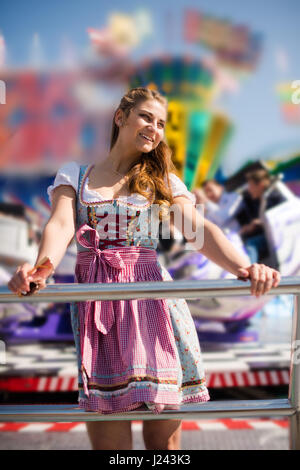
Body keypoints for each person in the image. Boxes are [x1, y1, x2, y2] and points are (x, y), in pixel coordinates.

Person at [7, 87, 281, 450]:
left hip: (155, 302)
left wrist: (247, 268)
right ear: (120, 117)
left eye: (161, 123)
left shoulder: (164, 181)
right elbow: (60, 226)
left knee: (164, 446)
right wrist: (41, 269)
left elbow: (199, 231)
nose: (155, 127)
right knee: (110, 443)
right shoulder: (75, 175)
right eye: (146, 117)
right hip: (99, 304)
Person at [235, 169, 285, 264]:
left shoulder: (275, 197)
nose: (249, 189)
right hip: (264, 234)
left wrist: (260, 222)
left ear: (260, 185)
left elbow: (282, 217)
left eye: (251, 185)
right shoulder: (253, 201)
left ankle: (248, 271)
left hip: (276, 236)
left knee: (251, 244)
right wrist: (248, 227)